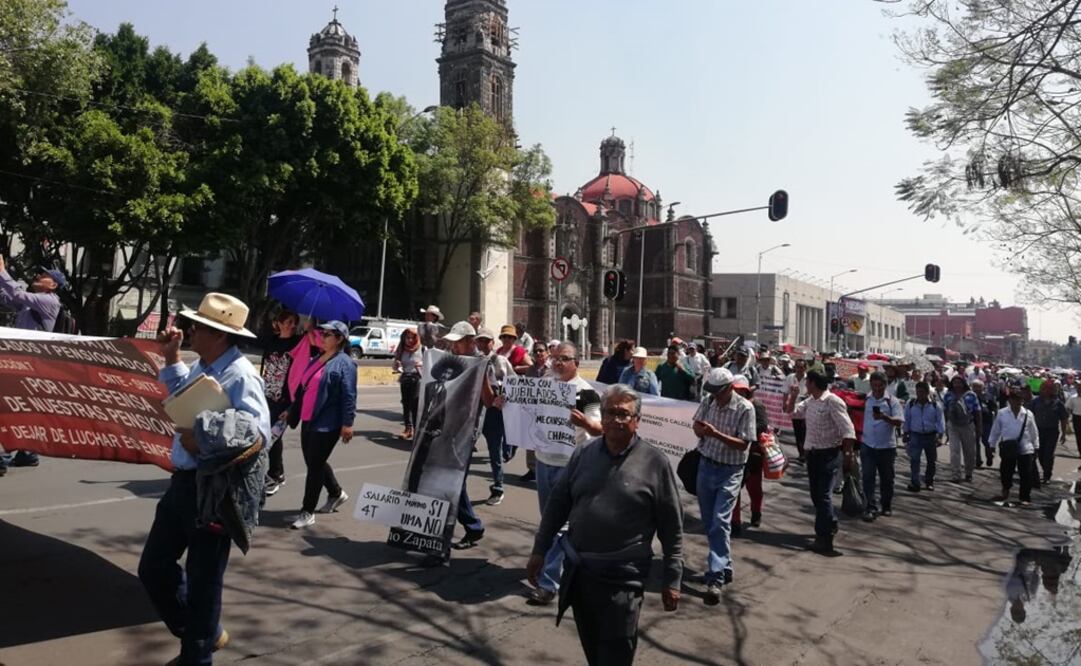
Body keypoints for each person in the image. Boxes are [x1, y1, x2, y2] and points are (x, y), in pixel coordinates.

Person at [138, 292, 270, 665]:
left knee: (203, 583)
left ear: (220, 335)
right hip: (184, 484)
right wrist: (172, 358)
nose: (191, 330)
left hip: (215, 492)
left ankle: (196, 656)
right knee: (153, 567)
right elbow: (186, 399)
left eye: (199, 327)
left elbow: (256, 432)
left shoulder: (242, 374)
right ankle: (206, 634)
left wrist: (204, 435)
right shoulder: (205, 365)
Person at [528, 384, 682, 666]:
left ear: (637, 421)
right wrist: (539, 550)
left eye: (624, 414)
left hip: (623, 580)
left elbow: (672, 526)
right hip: (581, 575)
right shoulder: (583, 453)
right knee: (593, 647)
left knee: (616, 653)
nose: (615, 420)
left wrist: (672, 578)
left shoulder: (655, 462)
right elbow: (557, 505)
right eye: (610, 413)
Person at [528, 342, 603, 606]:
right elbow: (526, 412)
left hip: (569, 466)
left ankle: (549, 583)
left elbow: (598, 429)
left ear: (577, 363)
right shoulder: (544, 386)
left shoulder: (586, 393)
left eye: (565, 358)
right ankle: (562, 565)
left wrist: (586, 423)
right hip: (543, 461)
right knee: (548, 521)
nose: (558, 363)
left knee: (561, 525)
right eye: (555, 358)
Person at [691, 367, 755, 603]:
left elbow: (743, 444)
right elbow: (696, 425)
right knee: (710, 522)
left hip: (730, 470)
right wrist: (700, 430)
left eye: (718, 392)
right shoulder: (708, 401)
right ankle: (725, 565)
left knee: (720, 520)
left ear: (729, 389)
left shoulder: (744, 408)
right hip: (706, 465)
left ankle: (715, 576)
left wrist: (716, 434)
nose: (715, 396)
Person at [0, 257, 67, 469]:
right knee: (21, 408)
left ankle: (3, 458)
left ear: (54, 285)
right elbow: (9, 297)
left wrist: (2, 271)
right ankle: (27, 452)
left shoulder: (49, 301)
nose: (39, 276)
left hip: (29, 363)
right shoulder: (33, 303)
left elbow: (17, 294)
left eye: (45, 275)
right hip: (19, 362)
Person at [289, 321, 357, 529]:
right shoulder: (317, 358)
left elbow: (349, 395)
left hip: (328, 423)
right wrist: (291, 411)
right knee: (313, 461)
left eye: (328, 334)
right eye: (323, 333)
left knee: (315, 465)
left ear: (339, 339)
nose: (323, 337)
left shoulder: (346, 363)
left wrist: (348, 423)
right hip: (309, 418)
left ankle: (307, 511)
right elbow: (304, 387)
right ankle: (336, 492)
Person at [792, 371, 856, 555]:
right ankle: (830, 521)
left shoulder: (832, 401)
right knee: (816, 496)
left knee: (823, 496)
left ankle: (824, 538)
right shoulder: (810, 401)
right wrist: (791, 396)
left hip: (829, 455)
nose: (806, 385)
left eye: (807, 382)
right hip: (812, 455)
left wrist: (848, 454)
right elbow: (792, 412)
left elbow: (848, 429)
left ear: (813, 383)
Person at [259, 309, 301, 496]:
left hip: (284, 399)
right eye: (288, 322)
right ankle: (279, 473)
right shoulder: (271, 340)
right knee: (270, 436)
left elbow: (300, 376)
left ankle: (274, 476)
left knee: (272, 437)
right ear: (280, 323)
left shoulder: (299, 343)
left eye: (294, 322)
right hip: (266, 395)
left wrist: (292, 406)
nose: (291, 326)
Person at [476, 327, 516, 505]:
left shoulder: (499, 360)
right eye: (480, 340)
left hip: (494, 410)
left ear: (493, 342)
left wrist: (503, 397)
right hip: (475, 408)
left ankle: (498, 487)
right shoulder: (473, 360)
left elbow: (514, 381)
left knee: (494, 449)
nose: (483, 344)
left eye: (487, 340)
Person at [860, 372, 903, 521]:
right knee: (867, 477)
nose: (877, 389)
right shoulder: (865, 399)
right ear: (871, 384)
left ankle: (886, 505)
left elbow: (899, 422)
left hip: (887, 447)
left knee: (887, 479)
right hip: (867, 445)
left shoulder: (892, 401)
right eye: (874, 385)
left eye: (880, 385)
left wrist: (885, 417)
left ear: (885, 385)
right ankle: (870, 507)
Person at [989, 386, 1040, 505]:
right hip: (1008, 448)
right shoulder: (1002, 413)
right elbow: (995, 430)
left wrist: (1036, 446)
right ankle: (1006, 488)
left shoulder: (1028, 414)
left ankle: (1024, 497)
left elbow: (1034, 432)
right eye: (1015, 399)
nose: (1018, 401)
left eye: (1020, 399)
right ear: (1010, 400)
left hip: (1025, 447)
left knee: (1026, 474)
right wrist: (991, 445)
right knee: (1006, 471)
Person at [731, 375, 767, 536]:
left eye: (741, 389)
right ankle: (735, 521)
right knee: (734, 488)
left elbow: (762, 425)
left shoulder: (756, 405)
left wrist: (743, 430)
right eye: (735, 389)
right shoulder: (728, 405)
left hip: (753, 453)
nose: (738, 392)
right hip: (734, 452)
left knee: (754, 487)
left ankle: (756, 512)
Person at [902, 382, 945, 492]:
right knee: (914, 460)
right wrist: (905, 433)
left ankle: (929, 481)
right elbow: (907, 419)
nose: (919, 394)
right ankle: (915, 482)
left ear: (927, 392)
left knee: (931, 461)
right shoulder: (910, 404)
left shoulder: (935, 405)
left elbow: (940, 421)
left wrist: (940, 436)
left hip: (930, 436)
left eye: (922, 392)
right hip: (915, 435)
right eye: (918, 392)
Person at [519, 342, 550, 483]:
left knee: (545, 440)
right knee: (531, 441)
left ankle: (546, 469)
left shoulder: (553, 369)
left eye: (541, 351)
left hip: (548, 411)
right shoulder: (530, 370)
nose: (538, 354)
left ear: (547, 353)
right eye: (536, 351)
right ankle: (532, 469)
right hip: (532, 410)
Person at [943, 376, 983, 483]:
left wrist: (979, 426)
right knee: (954, 451)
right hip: (953, 425)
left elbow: (977, 411)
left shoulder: (971, 395)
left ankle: (969, 473)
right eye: (955, 383)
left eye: (959, 383)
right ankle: (956, 474)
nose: (957, 385)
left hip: (967, 426)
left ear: (963, 383)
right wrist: (945, 426)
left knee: (969, 451)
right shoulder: (948, 395)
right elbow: (945, 411)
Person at [1028, 379, 1068, 486]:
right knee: (1040, 454)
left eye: (1048, 389)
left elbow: (1063, 418)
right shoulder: (1035, 402)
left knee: (1048, 454)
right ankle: (1045, 469)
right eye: (1044, 389)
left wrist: (1064, 434)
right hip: (1038, 431)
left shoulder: (1058, 403)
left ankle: (1047, 475)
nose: (1046, 391)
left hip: (1052, 432)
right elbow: (1028, 416)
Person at [393, 327, 423, 441]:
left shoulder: (422, 349)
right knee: (406, 404)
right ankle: (408, 429)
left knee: (414, 405)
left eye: (412, 338)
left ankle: (417, 430)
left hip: (417, 378)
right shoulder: (401, 349)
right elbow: (395, 364)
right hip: (405, 377)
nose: (409, 340)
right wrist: (397, 364)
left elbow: (429, 364)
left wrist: (421, 364)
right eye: (407, 338)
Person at [783, 358, 809, 463]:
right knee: (798, 431)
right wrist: (784, 403)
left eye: (802, 367)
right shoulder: (790, 378)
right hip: (794, 406)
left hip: (807, 407)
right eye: (798, 367)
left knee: (806, 431)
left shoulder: (809, 379)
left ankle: (805, 453)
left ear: (805, 368)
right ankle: (801, 453)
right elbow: (785, 392)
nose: (800, 369)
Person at [972, 379, 996, 467]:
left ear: (982, 387)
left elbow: (994, 407)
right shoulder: (971, 396)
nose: (976, 389)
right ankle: (978, 460)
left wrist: (994, 417)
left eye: (978, 387)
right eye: (974, 386)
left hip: (986, 421)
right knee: (975, 442)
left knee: (986, 441)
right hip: (974, 421)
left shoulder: (988, 396)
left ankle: (989, 455)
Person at [1066, 387, 1081, 458]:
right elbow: (1068, 407)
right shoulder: (1073, 398)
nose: (1079, 390)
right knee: (1078, 435)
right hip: (1076, 418)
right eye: (1079, 389)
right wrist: (1068, 418)